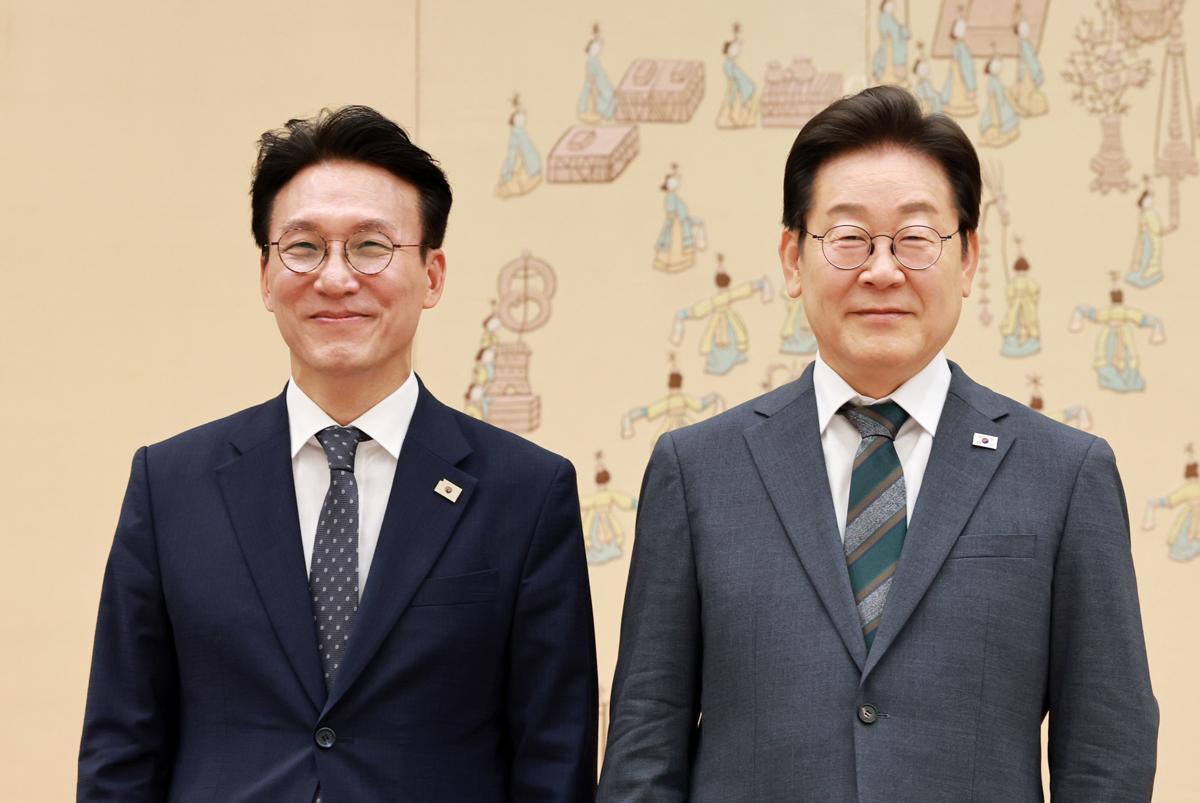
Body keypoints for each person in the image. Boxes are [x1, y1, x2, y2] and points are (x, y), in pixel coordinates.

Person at [599, 86, 1157, 800]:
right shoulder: (698, 469)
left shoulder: (1064, 474)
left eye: (916, 238)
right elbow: (647, 733)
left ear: (969, 256)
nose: (882, 270)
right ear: (793, 257)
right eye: (849, 238)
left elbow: (1108, 745)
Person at [78, 106, 598, 801]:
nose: (335, 278)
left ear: (433, 275)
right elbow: (121, 747)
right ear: (266, 274)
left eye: (370, 246)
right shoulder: (171, 485)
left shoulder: (526, 492)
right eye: (304, 247)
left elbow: (554, 758)